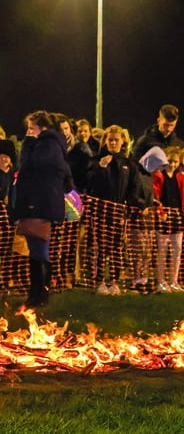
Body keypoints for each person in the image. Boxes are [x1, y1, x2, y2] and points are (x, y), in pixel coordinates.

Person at [12, 110, 72, 307]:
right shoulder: (53, 146)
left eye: (32, 128)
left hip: (38, 203)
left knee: (38, 249)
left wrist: (28, 145)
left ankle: (38, 293)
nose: (28, 132)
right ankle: (39, 291)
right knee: (37, 248)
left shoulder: (46, 145)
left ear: (43, 128)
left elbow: (29, 166)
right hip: (40, 202)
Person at [86, 124, 143, 296]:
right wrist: (101, 168)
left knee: (117, 248)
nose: (112, 143)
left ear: (122, 141)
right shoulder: (96, 161)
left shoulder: (129, 164)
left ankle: (115, 282)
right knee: (101, 248)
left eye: (116, 140)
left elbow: (135, 188)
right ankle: (100, 281)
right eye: (109, 140)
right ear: (105, 142)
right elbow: (89, 184)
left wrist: (132, 207)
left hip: (119, 214)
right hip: (100, 212)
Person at [152, 146, 184, 293]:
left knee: (177, 250)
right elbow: (156, 197)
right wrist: (160, 211)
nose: (172, 164)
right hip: (163, 215)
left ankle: (173, 281)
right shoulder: (159, 175)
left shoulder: (180, 177)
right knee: (162, 250)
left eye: (175, 162)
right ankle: (161, 281)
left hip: (177, 215)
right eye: (170, 161)